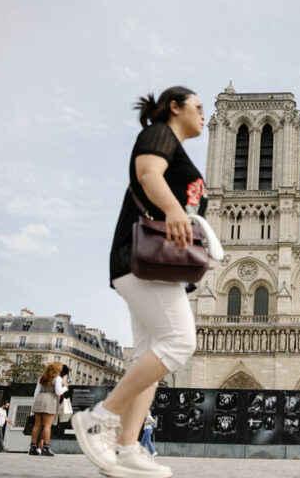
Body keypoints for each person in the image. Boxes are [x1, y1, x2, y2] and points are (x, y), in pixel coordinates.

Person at [72, 86, 208, 478]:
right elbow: (148, 173)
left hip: (158, 268)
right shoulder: (158, 134)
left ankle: (127, 449)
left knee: (151, 358)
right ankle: (100, 416)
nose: (204, 114)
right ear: (174, 107)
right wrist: (172, 210)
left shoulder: (178, 148)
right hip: (144, 260)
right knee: (181, 342)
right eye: (198, 106)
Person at [30, 361, 68, 457]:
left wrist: (36, 402)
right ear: (57, 369)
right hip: (50, 400)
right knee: (47, 425)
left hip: (39, 400)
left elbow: (35, 393)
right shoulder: (57, 379)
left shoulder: (42, 378)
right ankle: (46, 448)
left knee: (37, 425)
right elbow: (58, 392)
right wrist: (66, 388)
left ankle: (33, 447)